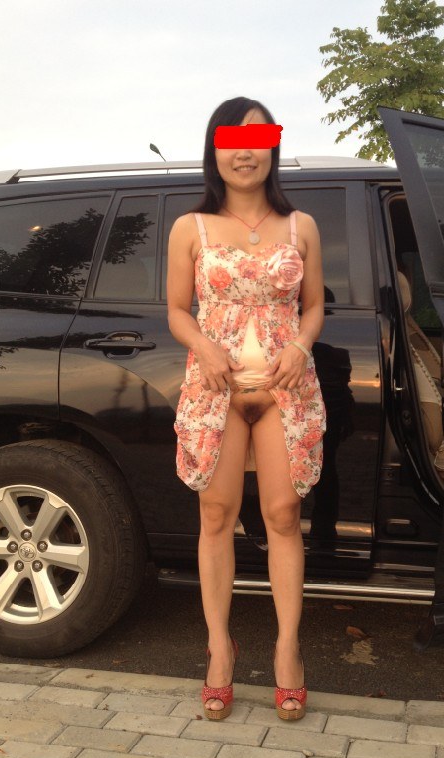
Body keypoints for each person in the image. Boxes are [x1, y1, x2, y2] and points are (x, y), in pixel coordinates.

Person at [167, 96, 326, 721]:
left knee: (283, 516)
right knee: (216, 515)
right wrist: (202, 344)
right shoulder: (193, 227)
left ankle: (288, 649)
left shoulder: (301, 225)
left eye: (257, 139)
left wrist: (301, 345)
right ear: (215, 149)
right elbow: (177, 309)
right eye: (232, 139)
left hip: (285, 390)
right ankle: (219, 649)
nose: (245, 151)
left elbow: (314, 305)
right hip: (216, 392)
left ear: (273, 147)